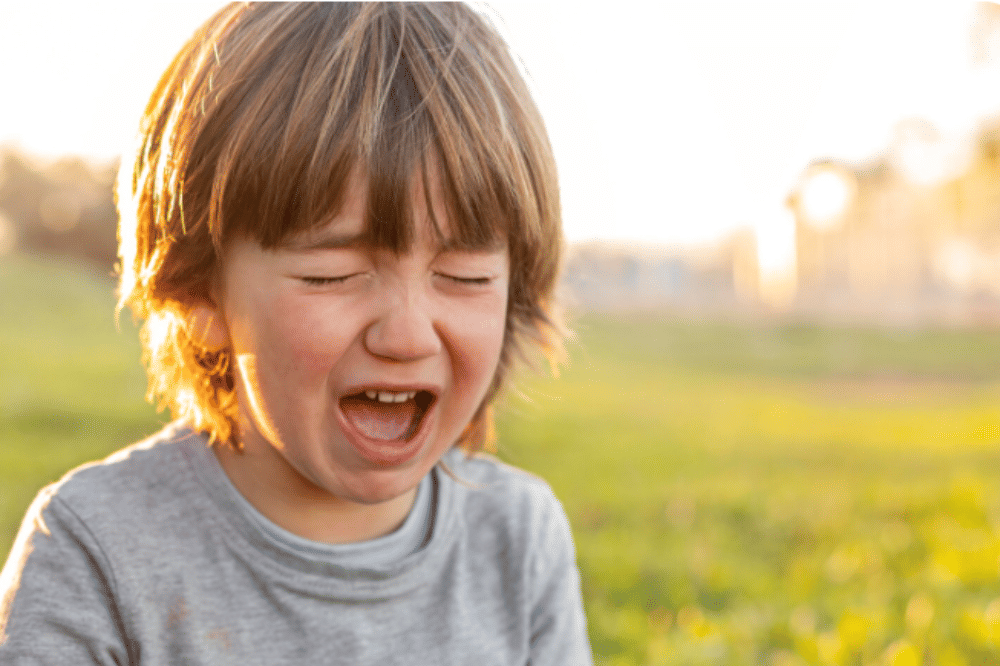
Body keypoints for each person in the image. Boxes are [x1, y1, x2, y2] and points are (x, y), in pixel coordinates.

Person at [0, 3, 592, 664]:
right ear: (200, 291)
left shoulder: (519, 540)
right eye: (333, 273)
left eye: (463, 275)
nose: (406, 335)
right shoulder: (98, 552)